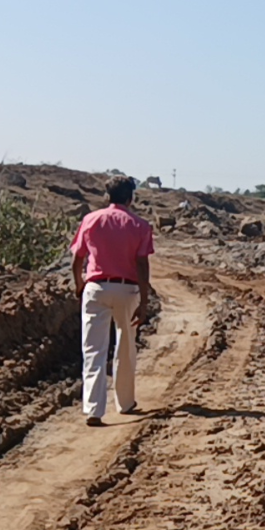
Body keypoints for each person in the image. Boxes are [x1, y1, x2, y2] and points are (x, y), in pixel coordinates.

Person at [70, 175, 154, 427]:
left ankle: (94, 409)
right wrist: (145, 299)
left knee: (93, 349)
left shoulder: (90, 220)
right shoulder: (140, 225)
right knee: (125, 345)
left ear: (107, 196)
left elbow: (78, 257)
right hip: (127, 290)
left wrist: (78, 284)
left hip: (95, 287)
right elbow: (142, 263)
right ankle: (125, 402)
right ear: (131, 197)